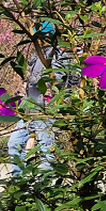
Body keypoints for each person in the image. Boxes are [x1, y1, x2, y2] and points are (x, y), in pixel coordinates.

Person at [7, 22, 77, 176]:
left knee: (47, 150)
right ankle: (18, 184)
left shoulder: (57, 53)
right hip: (29, 111)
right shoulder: (36, 54)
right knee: (14, 144)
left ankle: (46, 189)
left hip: (46, 111)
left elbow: (56, 79)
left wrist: (30, 78)